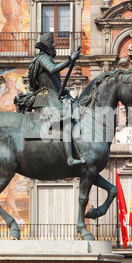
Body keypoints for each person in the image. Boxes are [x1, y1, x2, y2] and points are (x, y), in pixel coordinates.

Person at [21, 32, 85, 167]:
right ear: (47, 44)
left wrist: (63, 90)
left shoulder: (39, 59)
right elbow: (52, 69)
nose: (54, 45)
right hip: (46, 99)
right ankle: (69, 158)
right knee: (67, 120)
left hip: (48, 96)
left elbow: (49, 82)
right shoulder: (43, 58)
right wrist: (70, 59)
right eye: (52, 42)